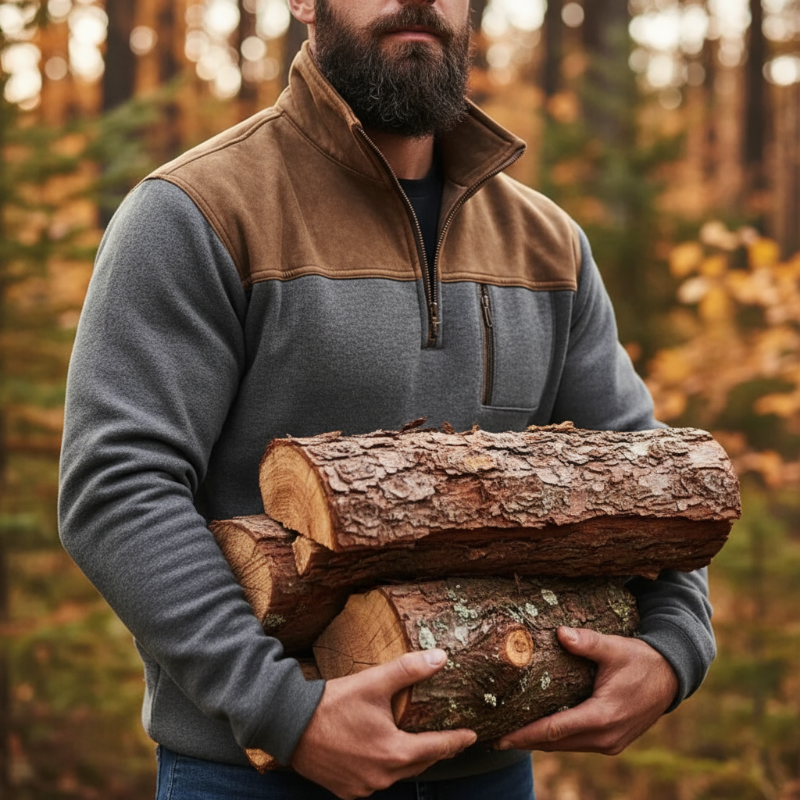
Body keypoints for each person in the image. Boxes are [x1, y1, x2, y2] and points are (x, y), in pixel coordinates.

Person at [58, 0, 715, 798]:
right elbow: (117, 486)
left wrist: (676, 649)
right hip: (253, 773)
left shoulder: (548, 245)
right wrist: (285, 711)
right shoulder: (197, 214)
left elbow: (650, 486)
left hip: (489, 772)